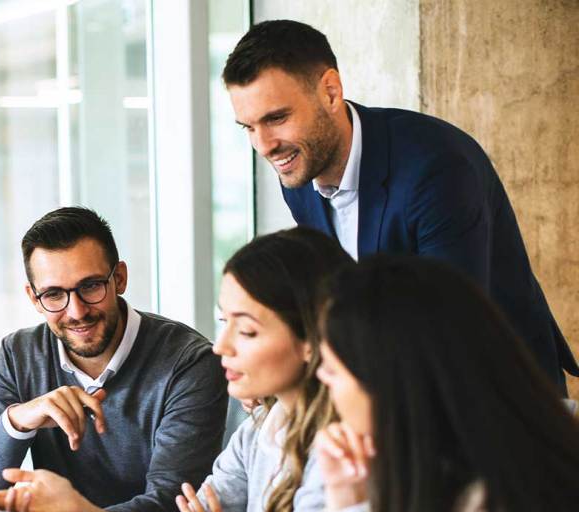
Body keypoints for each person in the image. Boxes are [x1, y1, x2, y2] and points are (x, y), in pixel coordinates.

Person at [0, 228, 355, 512]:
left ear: (311, 340)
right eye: (224, 323)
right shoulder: (259, 431)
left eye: (246, 331)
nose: (221, 347)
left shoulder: (343, 452)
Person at [222, 19, 577, 392]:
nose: (264, 146)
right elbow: (333, 297)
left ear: (330, 92)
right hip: (392, 387)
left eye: (277, 118)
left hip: (498, 391)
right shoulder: (299, 170)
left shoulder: (436, 167)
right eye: (248, 127)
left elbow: (452, 323)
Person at [297, 255, 579, 512]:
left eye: (333, 370)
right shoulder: (440, 473)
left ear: (392, 382)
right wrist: (346, 501)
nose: (320, 378)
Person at [0, 207, 228, 512]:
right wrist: (18, 420)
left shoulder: (189, 362)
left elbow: (171, 502)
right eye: (54, 294)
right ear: (34, 298)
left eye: (91, 286)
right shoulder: (18, 355)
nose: (77, 311)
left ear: (119, 278)